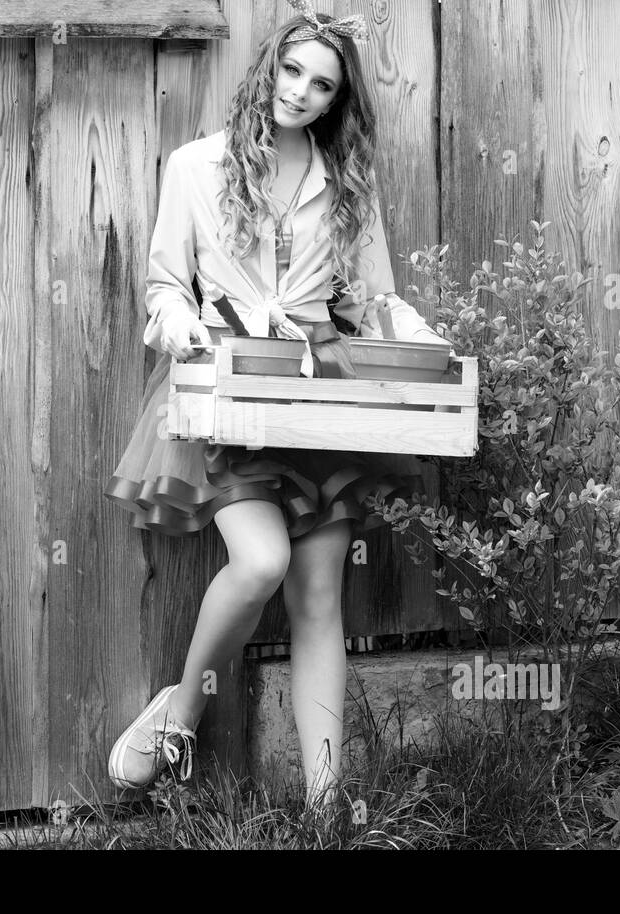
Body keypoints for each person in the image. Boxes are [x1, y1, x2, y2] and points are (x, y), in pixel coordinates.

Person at [103, 0, 446, 811]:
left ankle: (329, 813)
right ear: (268, 70)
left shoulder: (347, 183)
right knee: (261, 562)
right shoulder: (196, 166)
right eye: (292, 71)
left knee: (321, 596)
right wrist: (182, 325)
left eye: (322, 85)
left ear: (336, 101)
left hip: (318, 392)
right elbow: (161, 288)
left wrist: (429, 345)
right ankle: (182, 710)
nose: (301, 92)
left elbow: (376, 300)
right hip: (226, 385)